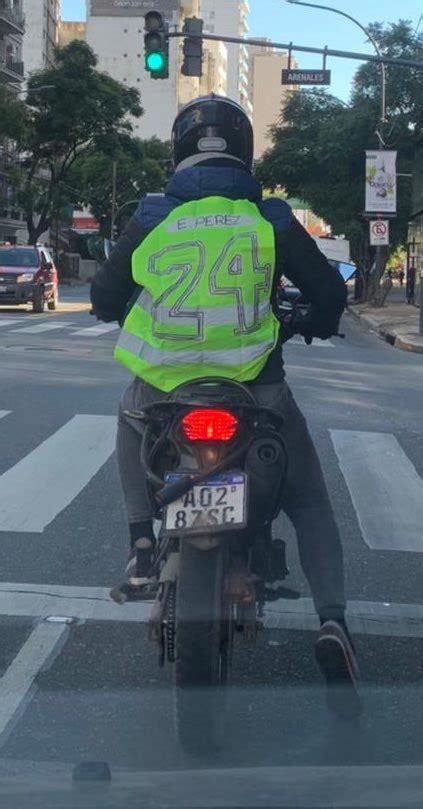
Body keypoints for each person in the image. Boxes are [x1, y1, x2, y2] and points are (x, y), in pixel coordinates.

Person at [91, 95, 360, 715]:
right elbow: (325, 293)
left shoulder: (152, 214)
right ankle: (333, 623)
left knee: (128, 414)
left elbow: (105, 297)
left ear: (178, 152)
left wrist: (124, 305)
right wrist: (313, 321)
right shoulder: (270, 217)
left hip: (163, 393)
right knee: (310, 501)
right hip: (255, 390)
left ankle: (139, 545)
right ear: (245, 151)